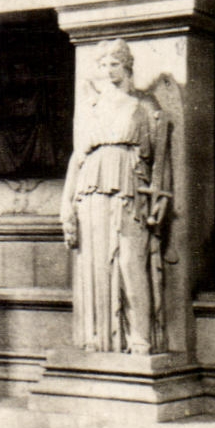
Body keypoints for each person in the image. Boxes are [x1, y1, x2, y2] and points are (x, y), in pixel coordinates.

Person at [59, 39, 174, 355]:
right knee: (95, 262)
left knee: (129, 260)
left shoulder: (145, 106)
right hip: (91, 187)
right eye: (103, 65)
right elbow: (76, 158)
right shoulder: (88, 108)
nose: (108, 71)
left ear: (127, 66)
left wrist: (161, 196)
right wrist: (65, 205)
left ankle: (140, 335)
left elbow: (160, 159)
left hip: (129, 185)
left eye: (114, 64)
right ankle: (98, 336)